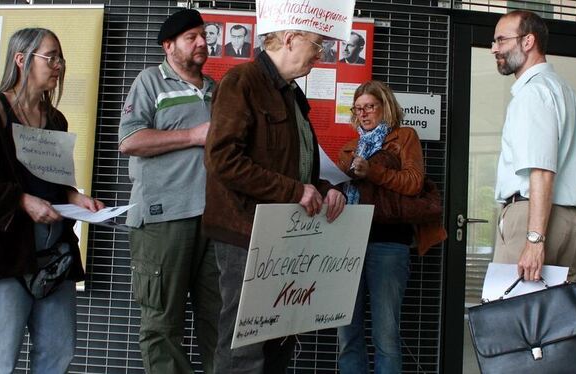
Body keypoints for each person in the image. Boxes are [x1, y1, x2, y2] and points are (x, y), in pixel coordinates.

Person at [0, 27, 104, 373]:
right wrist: (22, 201)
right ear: (21, 60)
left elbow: (58, 183)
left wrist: (76, 198)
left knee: (57, 353)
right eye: (50, 56)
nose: (58, 65)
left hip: (55, 255)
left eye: (60, 58)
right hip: (8, 254)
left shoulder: (56, 119)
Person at [204, 29, 347, 373]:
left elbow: (294, 167)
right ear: (290, 39)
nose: (321, 56)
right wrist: (294, 192)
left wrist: (324, 188)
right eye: (317, 46)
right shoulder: (242, 81)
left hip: (285, 238)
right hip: (246, 235)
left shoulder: (292, 93)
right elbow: (222, 160)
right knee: (245, 348)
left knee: (279, 339)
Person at [118, 9, 221, 373]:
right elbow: (129, 140)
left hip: (213, 220)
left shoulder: (215, 90)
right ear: (168, 45)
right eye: (191, 37)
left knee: (220, 322)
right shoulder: (150, 82)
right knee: (162, 325)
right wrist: (194, 135)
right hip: (163, 219)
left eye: (204, 36)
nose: (202, 43)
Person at [335, 80, 441, 374]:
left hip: (388, 243)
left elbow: (413, 182)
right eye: (358, 109)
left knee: (386, 336)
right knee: (347, 334)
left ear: (385, 107)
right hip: (347, 243)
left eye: (370, 106)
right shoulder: (349, 148)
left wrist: (373, 171)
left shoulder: (404, 137)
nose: (364, 113)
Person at [491, 10, 576, 282]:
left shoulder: (533, 93)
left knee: (510, 317)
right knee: (552, 320)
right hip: (570, 222)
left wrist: (534, 240)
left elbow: (542, 169)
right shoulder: (567, 93)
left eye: (501, 40)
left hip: (532, 217)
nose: (494, 49)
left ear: (527, 41)